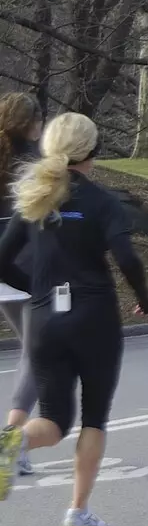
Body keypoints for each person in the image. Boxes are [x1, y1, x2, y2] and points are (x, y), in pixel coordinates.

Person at [0, 113, 148, 526]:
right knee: (94, 418)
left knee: (52, 420)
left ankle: (14, 440)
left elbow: (1, 259)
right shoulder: (102, 201)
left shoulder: (34, 197)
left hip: (45, 319)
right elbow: (126, 257)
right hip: (94, 316)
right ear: (92, 152)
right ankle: (78, 512)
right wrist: (143, 298)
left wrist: (34, 286)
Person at [0, 93, 44, 477]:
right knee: (36, 352)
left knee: (30, 350)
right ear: (31, 123)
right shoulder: (33, 163)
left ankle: (17, 442)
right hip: (26, 266)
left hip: (1, 273)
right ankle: (13, 441)